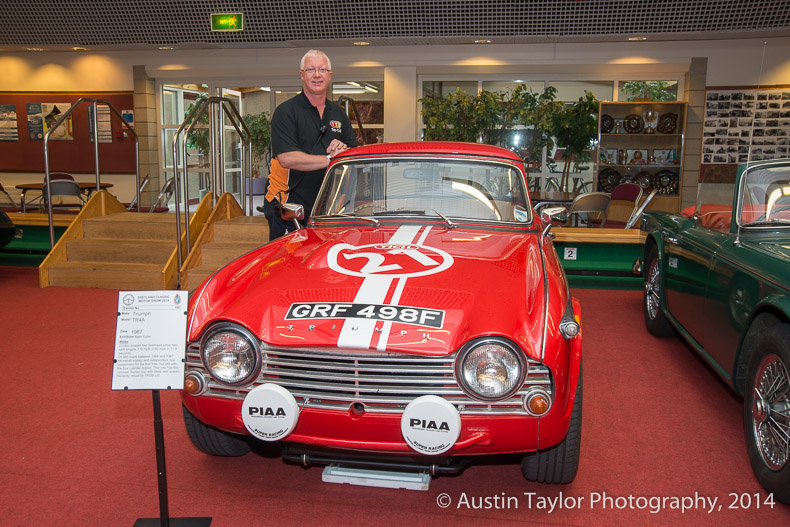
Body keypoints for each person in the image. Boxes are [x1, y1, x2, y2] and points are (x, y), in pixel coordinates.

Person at [257, 49, 358, 240]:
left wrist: (342, 148)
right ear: (302, 75)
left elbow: (353, 152)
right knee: (287, 264)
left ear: (330, 75)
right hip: (287, 207)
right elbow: (287, 158)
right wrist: (330, 158)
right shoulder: (286, 112)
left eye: (322, 69)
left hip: (324, 208)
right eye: (311, 69)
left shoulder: (337, 113)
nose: (317, 75)